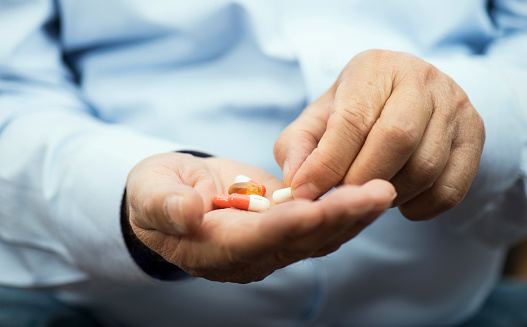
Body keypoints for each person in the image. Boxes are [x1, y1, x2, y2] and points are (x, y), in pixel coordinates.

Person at [0, 0, 526, 326]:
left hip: (463, 309)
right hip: (87, 309)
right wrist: (124, 196)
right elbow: (11, 93)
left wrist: (468, 112)